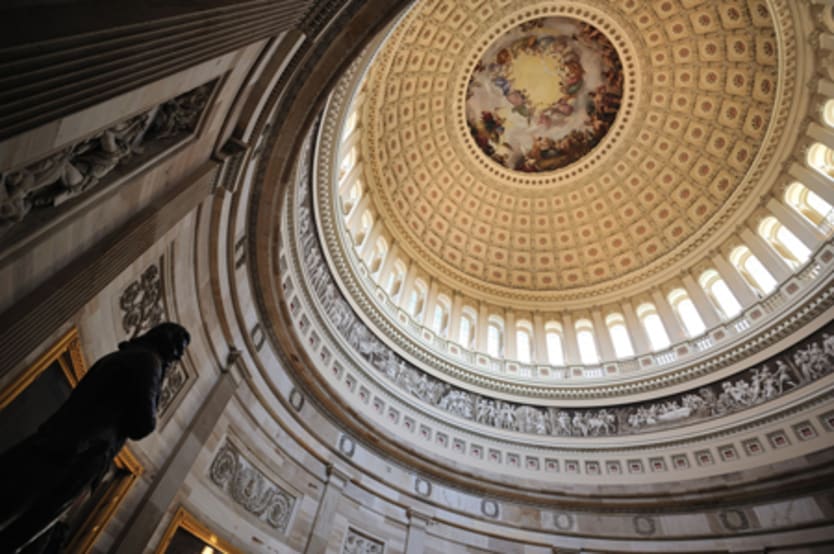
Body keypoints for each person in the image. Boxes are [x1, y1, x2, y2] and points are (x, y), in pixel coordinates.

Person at [0, 323, 190, 553]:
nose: (178, 357)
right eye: (178, 349)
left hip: (62, 439)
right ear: (167, 342)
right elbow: (143, 425)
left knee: (14, 498)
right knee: (29, 524)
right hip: (81, 453)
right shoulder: (150, 362)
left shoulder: (123, 355)